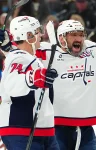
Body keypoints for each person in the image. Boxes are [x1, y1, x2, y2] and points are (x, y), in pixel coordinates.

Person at [1, 18, 96, 150]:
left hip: (85, 129)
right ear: (61, 37)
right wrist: (8, 44)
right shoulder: (46, 51)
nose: (78, 38)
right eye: (73, 34)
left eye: (80, 34)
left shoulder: (92, 50)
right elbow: (22, 53)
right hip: (56, 128)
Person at [0, 16, 59, 150]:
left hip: (41, 130)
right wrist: (32, 78)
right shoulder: (19, 58)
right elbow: (12, 85)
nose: (41, 35)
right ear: (28, 35)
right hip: (22, 129)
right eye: (38, 31)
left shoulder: (30, 58)